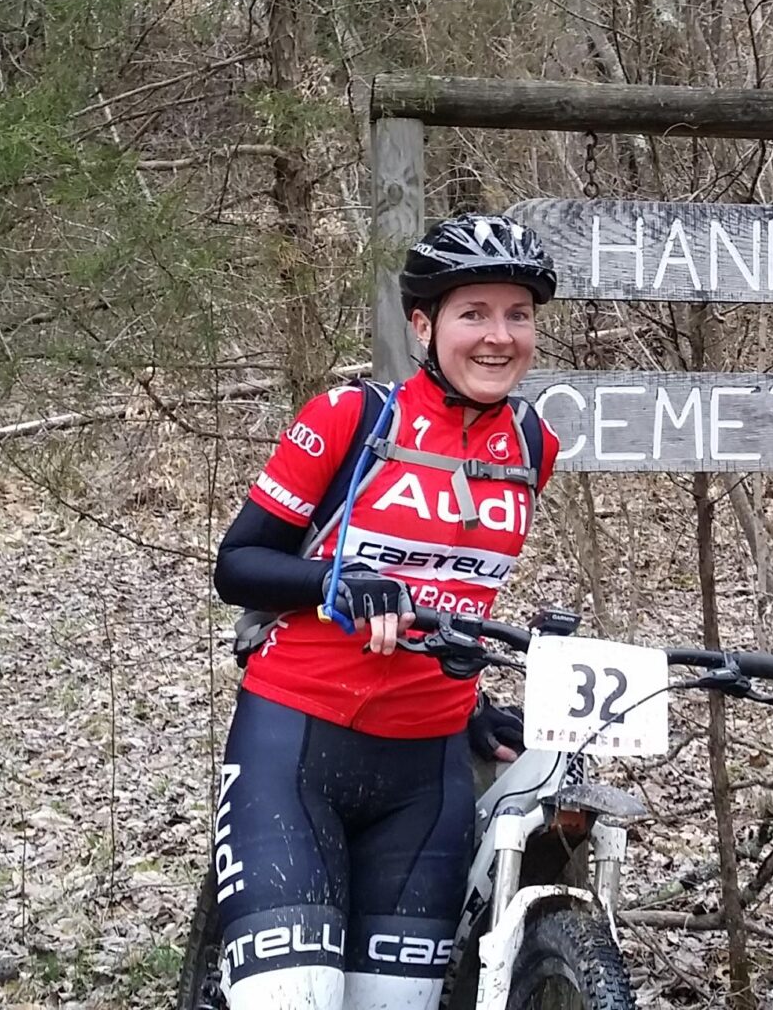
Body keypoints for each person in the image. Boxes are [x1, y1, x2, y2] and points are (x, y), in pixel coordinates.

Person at [207, 213, 559, 1010]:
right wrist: (334, 580)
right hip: (296, 739)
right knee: (294, 998)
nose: (499, 337)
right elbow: (238, 565)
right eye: (474, 314)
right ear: (423, 325)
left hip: (425, 770)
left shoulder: (534, 447)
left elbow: (457, 592)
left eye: (518, 315)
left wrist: (473, 707)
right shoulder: (350, 419)